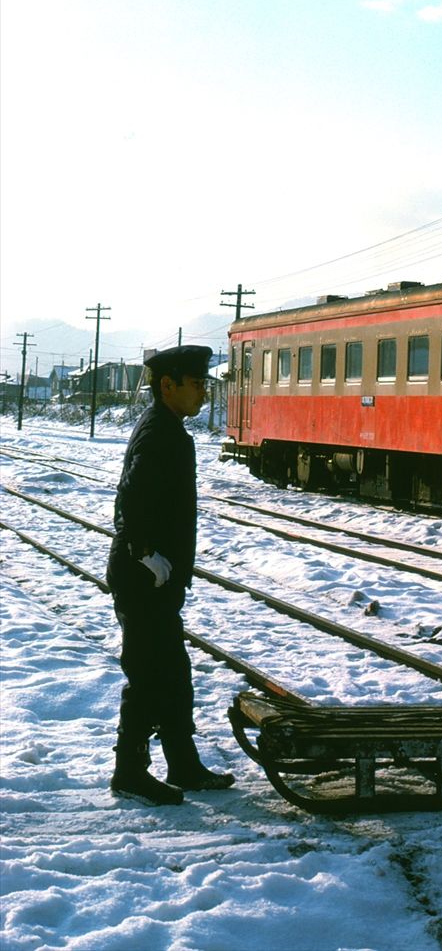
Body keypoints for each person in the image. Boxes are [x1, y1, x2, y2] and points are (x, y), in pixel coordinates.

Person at [106, 344, 235, 805]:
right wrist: (145, 552)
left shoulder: (169, 429)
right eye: (197, 384)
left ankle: (183, 763)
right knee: (147, 674)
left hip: (159, 578)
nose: (203, 393)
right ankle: (129, 771)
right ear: (168, 385)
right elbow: (130, 499)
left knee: (174, 673)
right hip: (143, 577)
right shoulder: (158, 432)